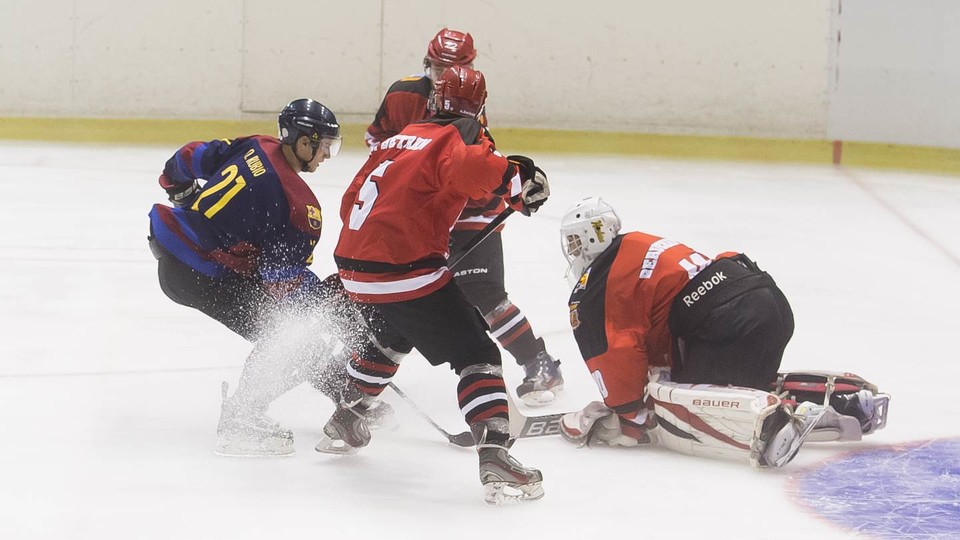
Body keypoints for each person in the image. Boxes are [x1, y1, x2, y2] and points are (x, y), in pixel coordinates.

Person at [317, 66, 549, 505]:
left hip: (354, 265)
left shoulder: (397, 139)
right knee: (476, 352)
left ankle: (346, 416)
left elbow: (352, 199)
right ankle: (496, 453)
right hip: (402, 269)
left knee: (394, 335)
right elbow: (478, 169)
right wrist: (522, 181)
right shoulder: (456, 139)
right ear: (479, 106)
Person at [555, 197, 889, 467]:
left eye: (573, 242)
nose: (572, 252)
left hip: (727, 322)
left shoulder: (594, 288)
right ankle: (849, 403)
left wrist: (626, 416)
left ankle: (775, 422)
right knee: (739, 381)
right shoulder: (637, 243)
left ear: (588, 240)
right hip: (766, 301)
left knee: (674, 398)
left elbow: (614, 351)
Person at [147, 98, 359, 457]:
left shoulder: (258, 145)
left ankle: (348, 395)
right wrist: (328, 302)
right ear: (304, 142)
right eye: (324, 146)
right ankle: (241, 416)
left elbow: (188, 157)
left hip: (177, 255)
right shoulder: (297, 205)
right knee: (290, 336)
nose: (325, 156)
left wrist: (180, 191)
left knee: (297, 333)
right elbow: (282, 286)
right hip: (201, 274)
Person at [364, 27, 563, 407]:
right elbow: (377, 138)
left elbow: (477, 164)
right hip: (421, 215)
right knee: (404, 299)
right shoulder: (402, 93)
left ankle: (540, 365)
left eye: (454, 67)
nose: (444, 77)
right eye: (438, 67)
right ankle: (366, 381)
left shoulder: (467, 101)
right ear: (427, 65)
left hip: (469, 209)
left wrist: (510, 184)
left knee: (484, 293)